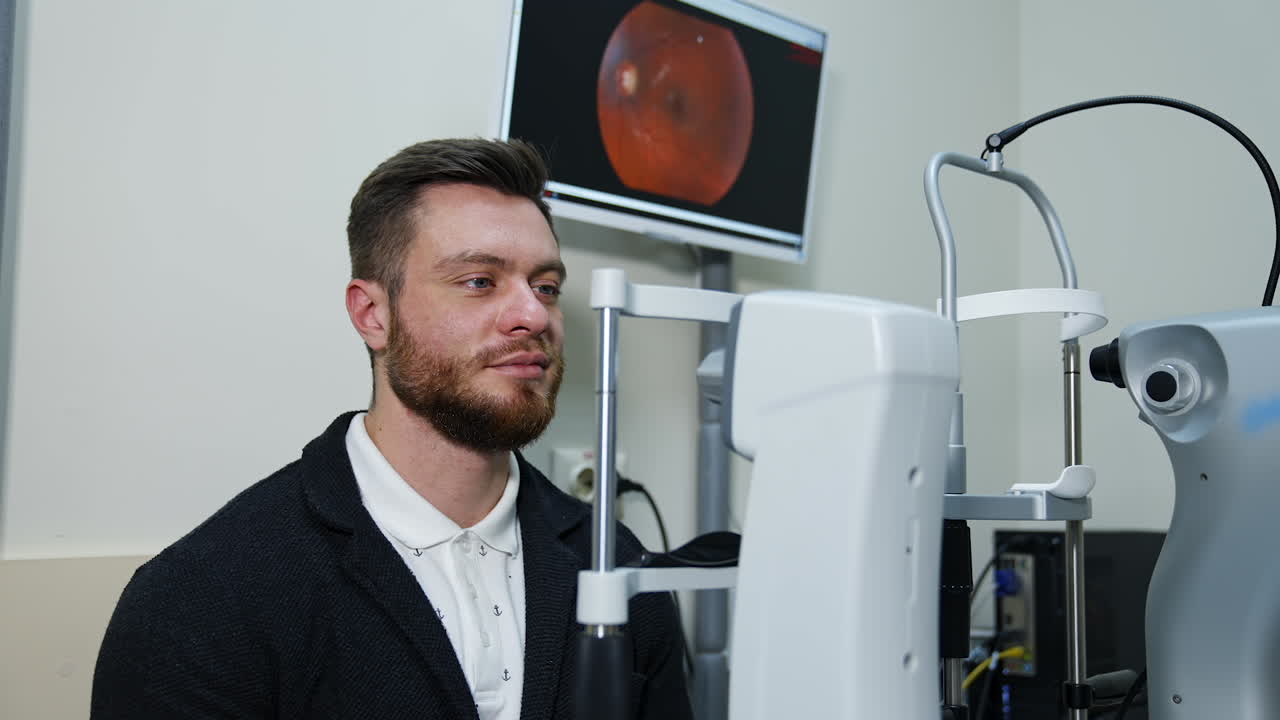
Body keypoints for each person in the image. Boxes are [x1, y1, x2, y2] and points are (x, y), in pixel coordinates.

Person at [91, 138, 693, 720]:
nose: (534, 315)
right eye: (479, 280)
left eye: (547, 287)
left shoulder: (615, 563)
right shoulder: (203, 597)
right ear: (372, 314)